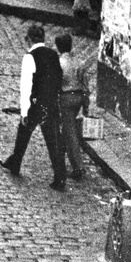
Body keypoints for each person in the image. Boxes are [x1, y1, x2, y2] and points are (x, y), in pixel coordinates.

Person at [0, 25, 66, 190]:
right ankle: (60, 177)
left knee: (23, 133)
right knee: (53, 141)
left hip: (35, 105)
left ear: (29, 39)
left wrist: (24, 110)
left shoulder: (30, 57)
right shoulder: (53, 55)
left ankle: (15, 162)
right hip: (50, 104)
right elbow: (58, 79)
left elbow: (26, 86)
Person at [54, 32, 87, 183]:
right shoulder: (78, 62)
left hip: (66, 97)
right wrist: (86, 107)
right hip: (79, 97)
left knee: (70, 132)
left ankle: (78, 168)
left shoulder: (59, 63)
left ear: (58, 47)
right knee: (68, 129)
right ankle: (59, 158)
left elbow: (56, 84)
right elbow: (86, 86)